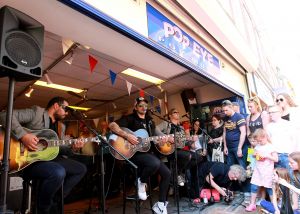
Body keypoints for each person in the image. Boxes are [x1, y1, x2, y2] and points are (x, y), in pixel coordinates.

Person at [0, 96, 87, 214]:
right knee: (58, 171)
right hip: (29, 161)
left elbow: (59, 149)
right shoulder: (37, 113)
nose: (67, 113)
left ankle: (53, 201)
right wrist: (23, 136)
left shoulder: (61, 126)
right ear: (56, 106)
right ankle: (43, 208)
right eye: (65, 109)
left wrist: (73, 148)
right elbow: (5, 115)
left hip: (50, 159)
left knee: (80, 169)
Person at [108, 97, 171, 214]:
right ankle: (141, 181)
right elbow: (112, 125)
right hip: (134, 155)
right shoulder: (129, 118)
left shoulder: (150, 121)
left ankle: (161, 205)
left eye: (145, 106)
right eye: (141, 105)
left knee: (167, 173)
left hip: (149, 154)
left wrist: (161, 141)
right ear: (135, 107)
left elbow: (155, 139)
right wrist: (126, 135)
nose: (144, 108)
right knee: (155, 163)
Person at [156, 108, 191, 187]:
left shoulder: (181, 128)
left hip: (178, 150)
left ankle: (177, 174)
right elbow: (156, 129)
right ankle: (177, 175)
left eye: (178, 112)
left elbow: (183, 142)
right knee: (187, 155)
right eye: (175, 112)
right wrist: (166, 137)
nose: (178, 113)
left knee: (197, 157)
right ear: (170, 115)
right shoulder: (166, 123)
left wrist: (190, 139)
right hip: (168, 150)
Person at [245, 128, 278, 212]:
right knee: (254, 186)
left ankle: (275, 206)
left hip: (267, 171)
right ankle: (252, 204)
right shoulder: (258, 146)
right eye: (257, 141)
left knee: (269, 188)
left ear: (265, 137)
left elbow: (276, 159)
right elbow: (253, 156)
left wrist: (267, 156)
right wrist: (254, 154)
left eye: (260, 141)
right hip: (258, 170)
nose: (259, 143)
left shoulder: (271, 147)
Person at [266, 105, 298, 169]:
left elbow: (295, 140)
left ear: (280, 112)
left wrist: (291, 154)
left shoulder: (288, 124)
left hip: (287, 156)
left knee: (291, 177)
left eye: (273, 112)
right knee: (279, 177)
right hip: (275, 156)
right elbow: (268, 142)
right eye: (269, 112)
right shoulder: (269, 126)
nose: (270, 114)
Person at [221, 100, 247, 168]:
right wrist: (225, 146)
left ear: (231, 108)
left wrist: (239, 148)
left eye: (226, 110)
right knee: (230, 167)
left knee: (242, 167)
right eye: (223, 110)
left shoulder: (239, 117)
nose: (225, 112)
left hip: (237, 146)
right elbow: (224, 132)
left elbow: (243, 133)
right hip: (229, 148)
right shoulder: (225, 118)